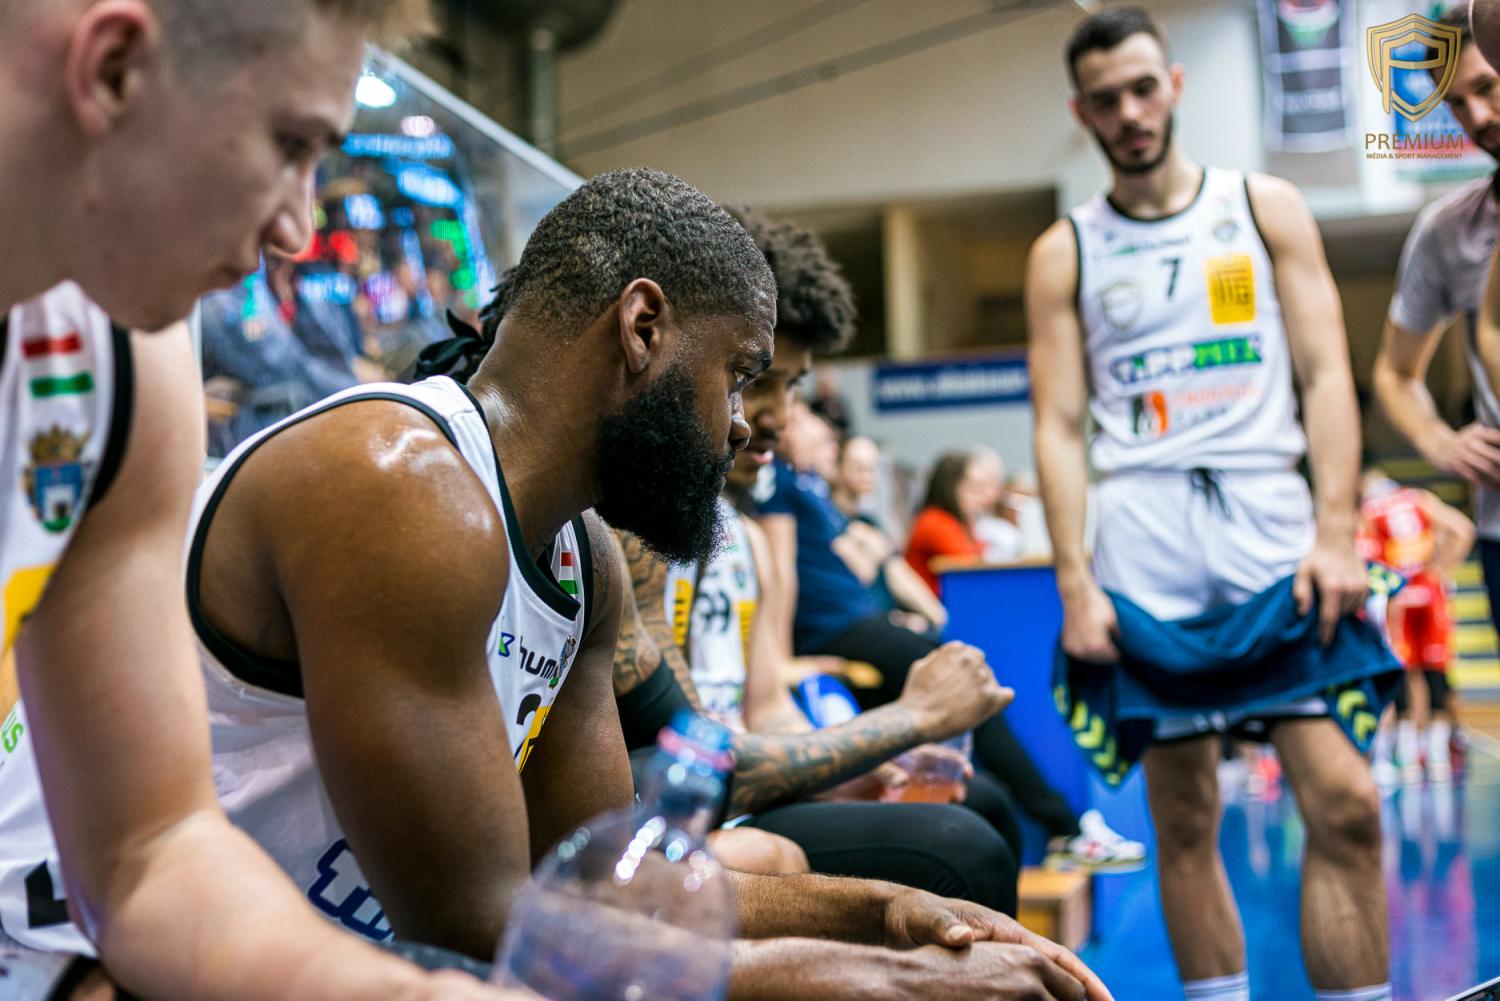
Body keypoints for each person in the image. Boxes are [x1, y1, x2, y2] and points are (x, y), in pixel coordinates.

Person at [0, 167, 1111, 1001]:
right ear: (643, 327)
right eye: (738, 375)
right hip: (76, 955)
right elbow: (493, 930)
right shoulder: (404, 485)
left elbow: (601, 885)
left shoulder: (582, 562)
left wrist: (887, 913)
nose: (742, 424)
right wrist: (865, 973)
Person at [0, 1, 510, 998]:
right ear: (113, 69)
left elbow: (149, 849)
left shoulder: (127, 360)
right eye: (290, 145)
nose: (298, 226)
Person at [1027, 8, 1390, 1001]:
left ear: (1175, 85)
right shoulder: (1066, 248)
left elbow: (1327, 375)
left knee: (1347, 800)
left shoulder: (1264, 205)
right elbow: (1058, 425)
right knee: (1183, 819)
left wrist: (1337, 530)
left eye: (1144, 88)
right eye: (1106, 99)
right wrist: (1074, 583)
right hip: (1143, 537)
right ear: (1082, 114)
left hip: (1272, 523)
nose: (1130, 112)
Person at [610, 206, 1023, 913]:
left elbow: (766, 708)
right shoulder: (631, 528)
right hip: (686, 808)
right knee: (964, 844)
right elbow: (680, 754)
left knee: (978, 802)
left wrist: (856, 764)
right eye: (753, 378)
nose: (771, 414)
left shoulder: (749, 536)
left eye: (792, 386)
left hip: (735, 787)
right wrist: (903, 721)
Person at [1373, 4, 1500, 642]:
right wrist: (1440, 441)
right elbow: (1395, 373)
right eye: (1455, 104)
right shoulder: (1450, 231)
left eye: (1487, 88)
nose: (1476, 117)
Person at [1359, 471, 1474, 784]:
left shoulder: (1369, 512)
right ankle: (1436, 755)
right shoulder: (1419, 500)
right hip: (1430, 595)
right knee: (1436, 672)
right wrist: (1440, 569)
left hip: (1396, 600)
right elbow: (1463, 529)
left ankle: (1407, 754)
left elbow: (1365, 559)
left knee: (1403, 674)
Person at [906, 449, 1023, 595]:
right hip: (937, 604)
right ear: (950, 488)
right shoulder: (933, 521)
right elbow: (970, 567)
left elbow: (980, 553)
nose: (980, 497)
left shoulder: (960, 522)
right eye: (972, 489)